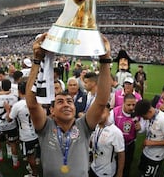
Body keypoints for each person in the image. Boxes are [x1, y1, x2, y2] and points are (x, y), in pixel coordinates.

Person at [25, 33, 112, 176]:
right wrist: (37, 60)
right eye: (60, 101)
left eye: (69, 101)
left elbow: (101, 101)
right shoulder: (46, 127)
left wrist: (105, 59)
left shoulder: (83, 126)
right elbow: (32, 104)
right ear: (51, 111)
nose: (66, 104)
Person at [135, 99, 164, 177]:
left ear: (149, 111)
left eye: (144, 116)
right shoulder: (151, 116)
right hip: (146, 152)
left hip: (155, 157)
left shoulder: (163, 120)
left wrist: (152, 143)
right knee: (141, 171)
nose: (144, 119)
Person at [90, 103, 125, 177]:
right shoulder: (96, 126)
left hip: (106, 172)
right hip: (93, 167)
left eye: (102, 112)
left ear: (109, 113)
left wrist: (120, 173)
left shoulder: (115, 132)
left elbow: (121, 154)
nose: (99, 115)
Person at [109, 93, 140, 177]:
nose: (131, 107)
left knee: (127, 166)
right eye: (128, 105)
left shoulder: (137, 113)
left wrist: (140, 128)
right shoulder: (114, 112)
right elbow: (108, 128)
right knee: (114, 164)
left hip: (129, 145)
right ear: (123, 103)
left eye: (133, 105)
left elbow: (143, 129)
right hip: (115, 145)